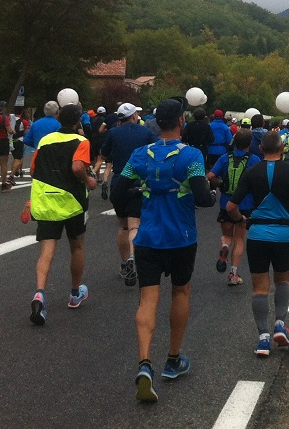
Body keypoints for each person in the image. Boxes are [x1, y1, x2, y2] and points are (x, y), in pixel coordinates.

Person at [111, 98, 216, 403]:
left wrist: (140, 194)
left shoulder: (140, 154)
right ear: (181, 122)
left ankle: (145, 364)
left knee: (147, 299)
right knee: (181, 292)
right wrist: (212, 193)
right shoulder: (192, 156)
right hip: (181, 237)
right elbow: (201, 196)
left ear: (157, 123)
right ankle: (173, 360)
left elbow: (118, 192)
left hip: (147, 237)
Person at [227, 129, 289, 356]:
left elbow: (231, 207)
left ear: (262, 149)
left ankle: (263, 337)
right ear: (282, 148)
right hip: (283, 234)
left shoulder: (252, 171)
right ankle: (279, 324)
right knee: (283, 282)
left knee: (259, 289)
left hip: (257, 235)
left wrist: (242, 220)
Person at [25, 104, 96, 324]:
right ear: (78, 122)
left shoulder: (45, 140)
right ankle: (75, 293)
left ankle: (39, 294)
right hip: (72, 201)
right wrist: (88, 180)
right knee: (77, 246)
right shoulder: (81, 142)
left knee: (47, 251)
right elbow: (77, 167)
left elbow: (33, 170)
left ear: (58, 118)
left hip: (46, 199)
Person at [93, 102, 153, 286]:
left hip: (119, 180)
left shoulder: (113, 132)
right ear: (134, 116)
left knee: (123, 225)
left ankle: (124, 261)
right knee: (135, 223)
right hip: (139, 180)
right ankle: (134, 257)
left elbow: (104, 153)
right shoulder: (145, 132)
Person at [207, 130, 260, 285]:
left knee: (228, 236)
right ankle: (233, 274)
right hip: (246, 203)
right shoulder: (254, 160)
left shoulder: (225, 158)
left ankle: (224, 245)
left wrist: (220, 184)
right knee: (239, 239)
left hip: (226, 203)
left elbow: (210, 176)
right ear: (250, 144)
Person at [0, 101, 15, 190]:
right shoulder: (4, 118)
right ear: (4, 108)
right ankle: (3, 184)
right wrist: (13, 131)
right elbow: (9, 130)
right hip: (3, 141)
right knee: (3, 164)